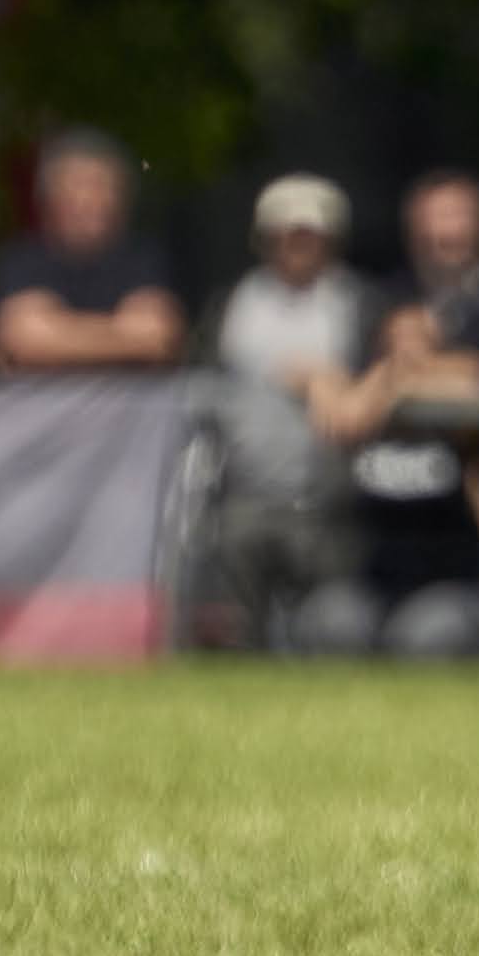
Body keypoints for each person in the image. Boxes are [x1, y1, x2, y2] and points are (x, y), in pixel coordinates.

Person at [297, 173, 479, 661]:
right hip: (374, 576)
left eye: (459, 219)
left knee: (427, 637)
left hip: (458, 572)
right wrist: (332, 383)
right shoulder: (386, 294)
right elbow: (332, 389)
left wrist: (391, 380)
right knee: (327, 624)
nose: (447, 235)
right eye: (436, 220)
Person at [199, 173, 370, 645]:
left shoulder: (357, 303)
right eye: (287, 235)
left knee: (332, 629)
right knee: (236, 635)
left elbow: (382, 377)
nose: (298, 246)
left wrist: (334, 382)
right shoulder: (233, 303)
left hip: (328, 505)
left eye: (310, 236)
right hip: (243, 501)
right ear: (265, 238)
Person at [0, 130, 184, 372]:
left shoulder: (143, 258)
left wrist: (57, 333)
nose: (90, 199)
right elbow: (22, 339)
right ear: (49, 197)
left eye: (102, 186)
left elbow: (158, 337)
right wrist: (123, 334)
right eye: (78, 185)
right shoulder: (18, 259)